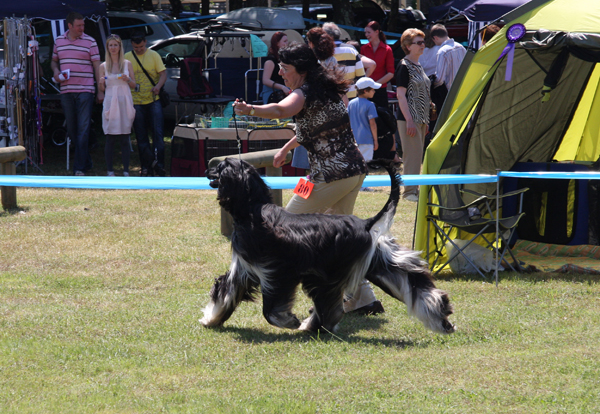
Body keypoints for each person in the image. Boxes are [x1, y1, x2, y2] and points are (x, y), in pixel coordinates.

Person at [233, 43, 384, 315]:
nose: (280, 73)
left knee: (283, 229)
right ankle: (364, 300)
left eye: (285, 68)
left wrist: (250, 110)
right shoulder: (324, 90)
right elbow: (313, 127)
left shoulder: (303, 93)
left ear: (301, 70)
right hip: (352, 172)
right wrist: (285, 149)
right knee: (342, 240)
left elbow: (280, 110)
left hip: (330, 175)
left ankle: (276, 298)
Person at [51, 12, 101, 176]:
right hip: (66, 90)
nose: (82, 28)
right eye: (79, 25)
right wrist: (56, 72)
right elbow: (53, 61)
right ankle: (86, 161)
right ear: (70, 26)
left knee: (83, 128)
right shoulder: (59, 41)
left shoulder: (90, 41)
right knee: (72, 130)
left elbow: (97, 66)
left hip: (85, 90)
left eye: (83, 25)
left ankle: (78, 168)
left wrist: (100, 89)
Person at [395, 29, 431, 202]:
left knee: (418, 156)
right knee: (411, 156)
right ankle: (409, 192)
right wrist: (409, 120)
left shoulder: (418, 65)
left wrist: (425, 120)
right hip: (409, 118)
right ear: (408, 46)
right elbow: (400, 95)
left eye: (423, 42)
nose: (423, 45)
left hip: (420, 118)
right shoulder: (404, 66)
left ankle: (414, 190)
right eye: (419, 42)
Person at [125, 31, 167, 177]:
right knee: (141, 137)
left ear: (145, 43)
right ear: (132, 45)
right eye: (136, 48)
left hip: (153, 100)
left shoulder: (154, 55)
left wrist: (158, 87)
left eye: (141, 47)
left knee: (158, 136)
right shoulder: (127, 58)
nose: (139, 50)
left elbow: (163, 74)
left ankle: (159, 166)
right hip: (136, 102)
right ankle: (146, 167)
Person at [98, 34, 136, 177]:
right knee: (110, 136)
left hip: (124, 100)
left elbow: (134, 85)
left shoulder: (127, 64)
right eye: (110, 45)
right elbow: (101, 89)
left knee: (125, 136)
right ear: (107, 48)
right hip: (110, 101)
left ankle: (126, 170)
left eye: (116, 45)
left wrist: (128, 79)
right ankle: (110, 170)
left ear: (120, 47)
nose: (113, 48)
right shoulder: (103, 66)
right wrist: (101, 82)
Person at [322, 22, 376, 101]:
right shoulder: (351, 50)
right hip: (352, 97)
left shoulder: (323, 51)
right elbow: (361, 77)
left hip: (331, 99)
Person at [361, 21, 395, 108]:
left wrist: (375, 85)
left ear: (377, 32)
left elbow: (390, 73)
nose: (366, 35)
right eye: (365, 32)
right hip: (366, 90)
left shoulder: (387, 50)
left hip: (381, 90)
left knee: (381, 119)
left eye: (369, 32)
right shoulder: (363, 49)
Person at [348, 77, 379, 162]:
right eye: (372, 89)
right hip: (367, 140)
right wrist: (375, 140)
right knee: (366, 164)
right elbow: (372, 123)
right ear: (365, 91)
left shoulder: (350, 103)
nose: (374, 91)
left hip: (353, 140)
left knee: (355, 164)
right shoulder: (370, 105)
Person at [431, 24, 467, 91]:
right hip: (464, 89)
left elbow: (440, 79)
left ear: (435, 38)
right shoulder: (461, 47)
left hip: (451, 93)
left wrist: (431, 85)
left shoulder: (443, 52)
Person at [261, 32, 291, 104]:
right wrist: (282, 87)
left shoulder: (286, 59)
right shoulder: (270, 61)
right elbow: (265, 80)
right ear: (277, 43)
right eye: (284, 41)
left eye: (287, 41)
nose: (287, 43)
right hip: (272, 93)